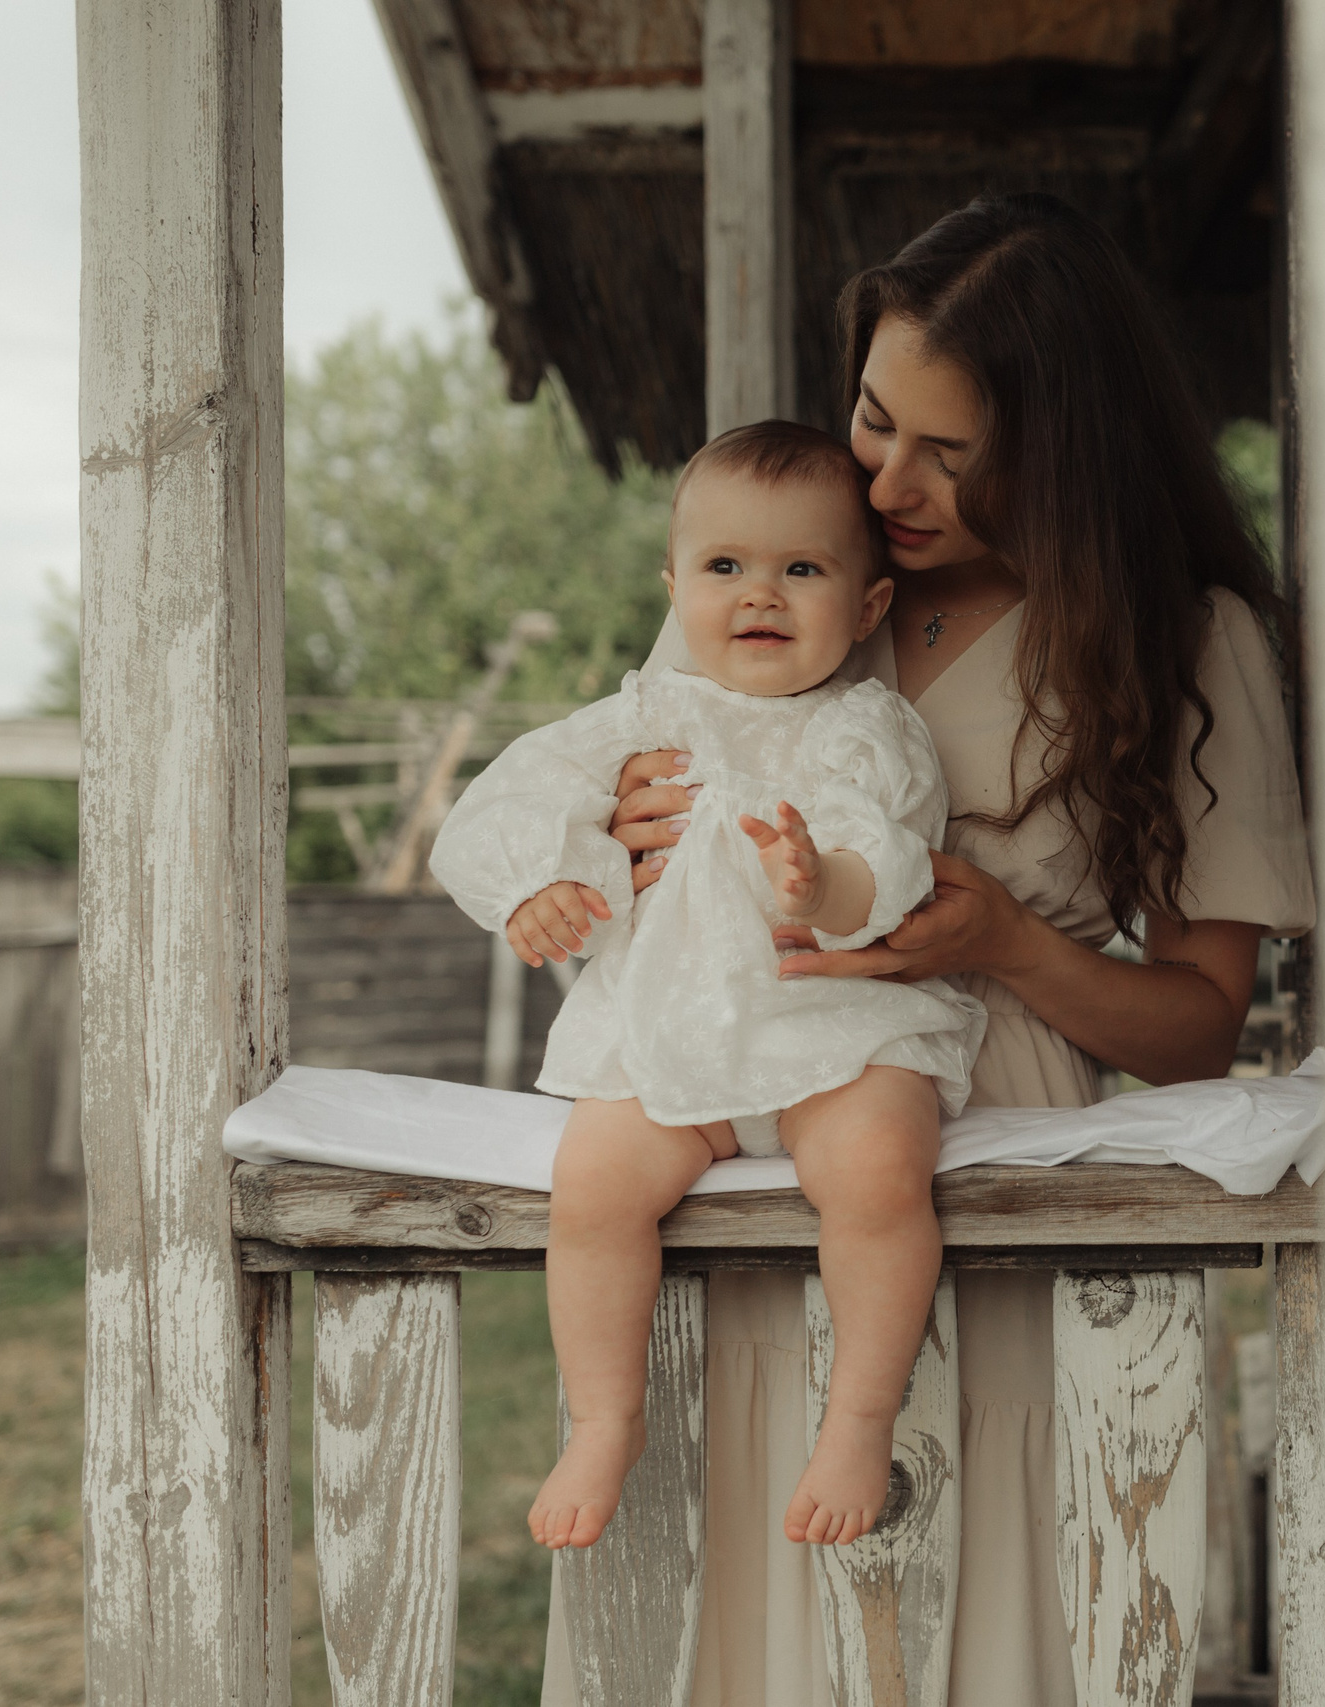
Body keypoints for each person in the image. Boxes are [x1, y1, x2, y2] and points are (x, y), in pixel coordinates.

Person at [541, 193, 1315, 1707]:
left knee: (987, 1598)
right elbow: (625, 806)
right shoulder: (782, 556)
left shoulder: (1188, 634)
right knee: (740, 1590)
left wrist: (1005, 937)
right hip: (737, 1130)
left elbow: (1200, 1029)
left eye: (947, 452)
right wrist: (616, 839)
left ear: (1064, 444)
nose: (885, 478)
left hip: (1000, 1158)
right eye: (875, 417)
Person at [431, 421, 987, 1557]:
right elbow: (509, 796)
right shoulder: (643, 715)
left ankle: (859, 1419)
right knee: (591, 1189)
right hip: (666, 1030)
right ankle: (603, 1418)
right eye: (725, 567)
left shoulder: (864, 728)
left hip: (832, 1025)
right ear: (674, 586)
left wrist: (820, 879)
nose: (760, 595)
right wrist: (539, 876)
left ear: (869, 607)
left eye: (802, 569)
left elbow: (887, 852)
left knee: (880, 1169)